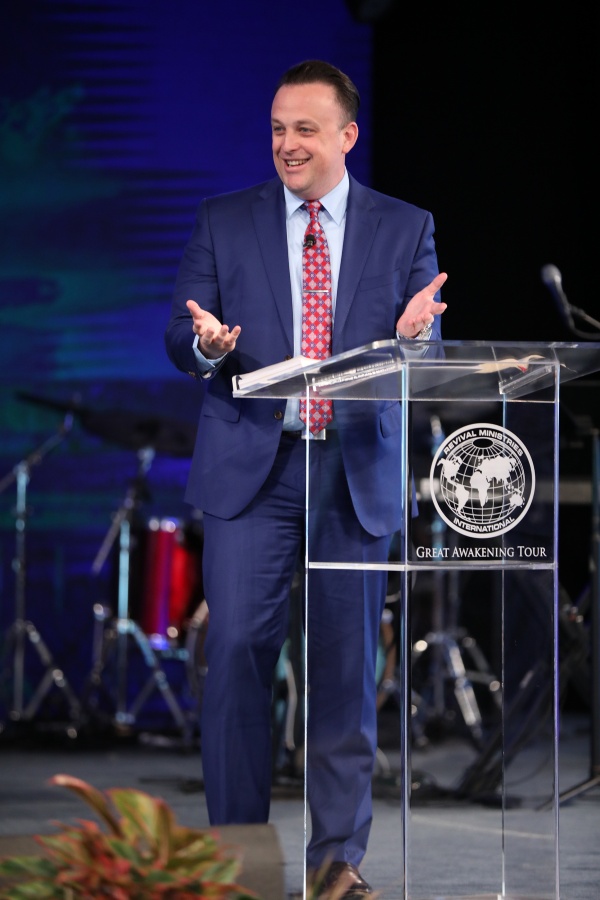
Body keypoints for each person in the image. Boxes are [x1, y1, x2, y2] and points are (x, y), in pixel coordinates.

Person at [165, 59, 447, 898]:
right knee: (238, 653)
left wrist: (415, 339)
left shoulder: (405, 227)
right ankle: (240, 861)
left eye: (306, 130)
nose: (288, 144)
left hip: (350, 472)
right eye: (279, 129)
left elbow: (427, 341)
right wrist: (205, 345)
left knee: (346, 669)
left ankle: (335, 864)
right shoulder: (224, 219)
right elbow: (182, 332)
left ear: (346, 135)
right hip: (253, 471)